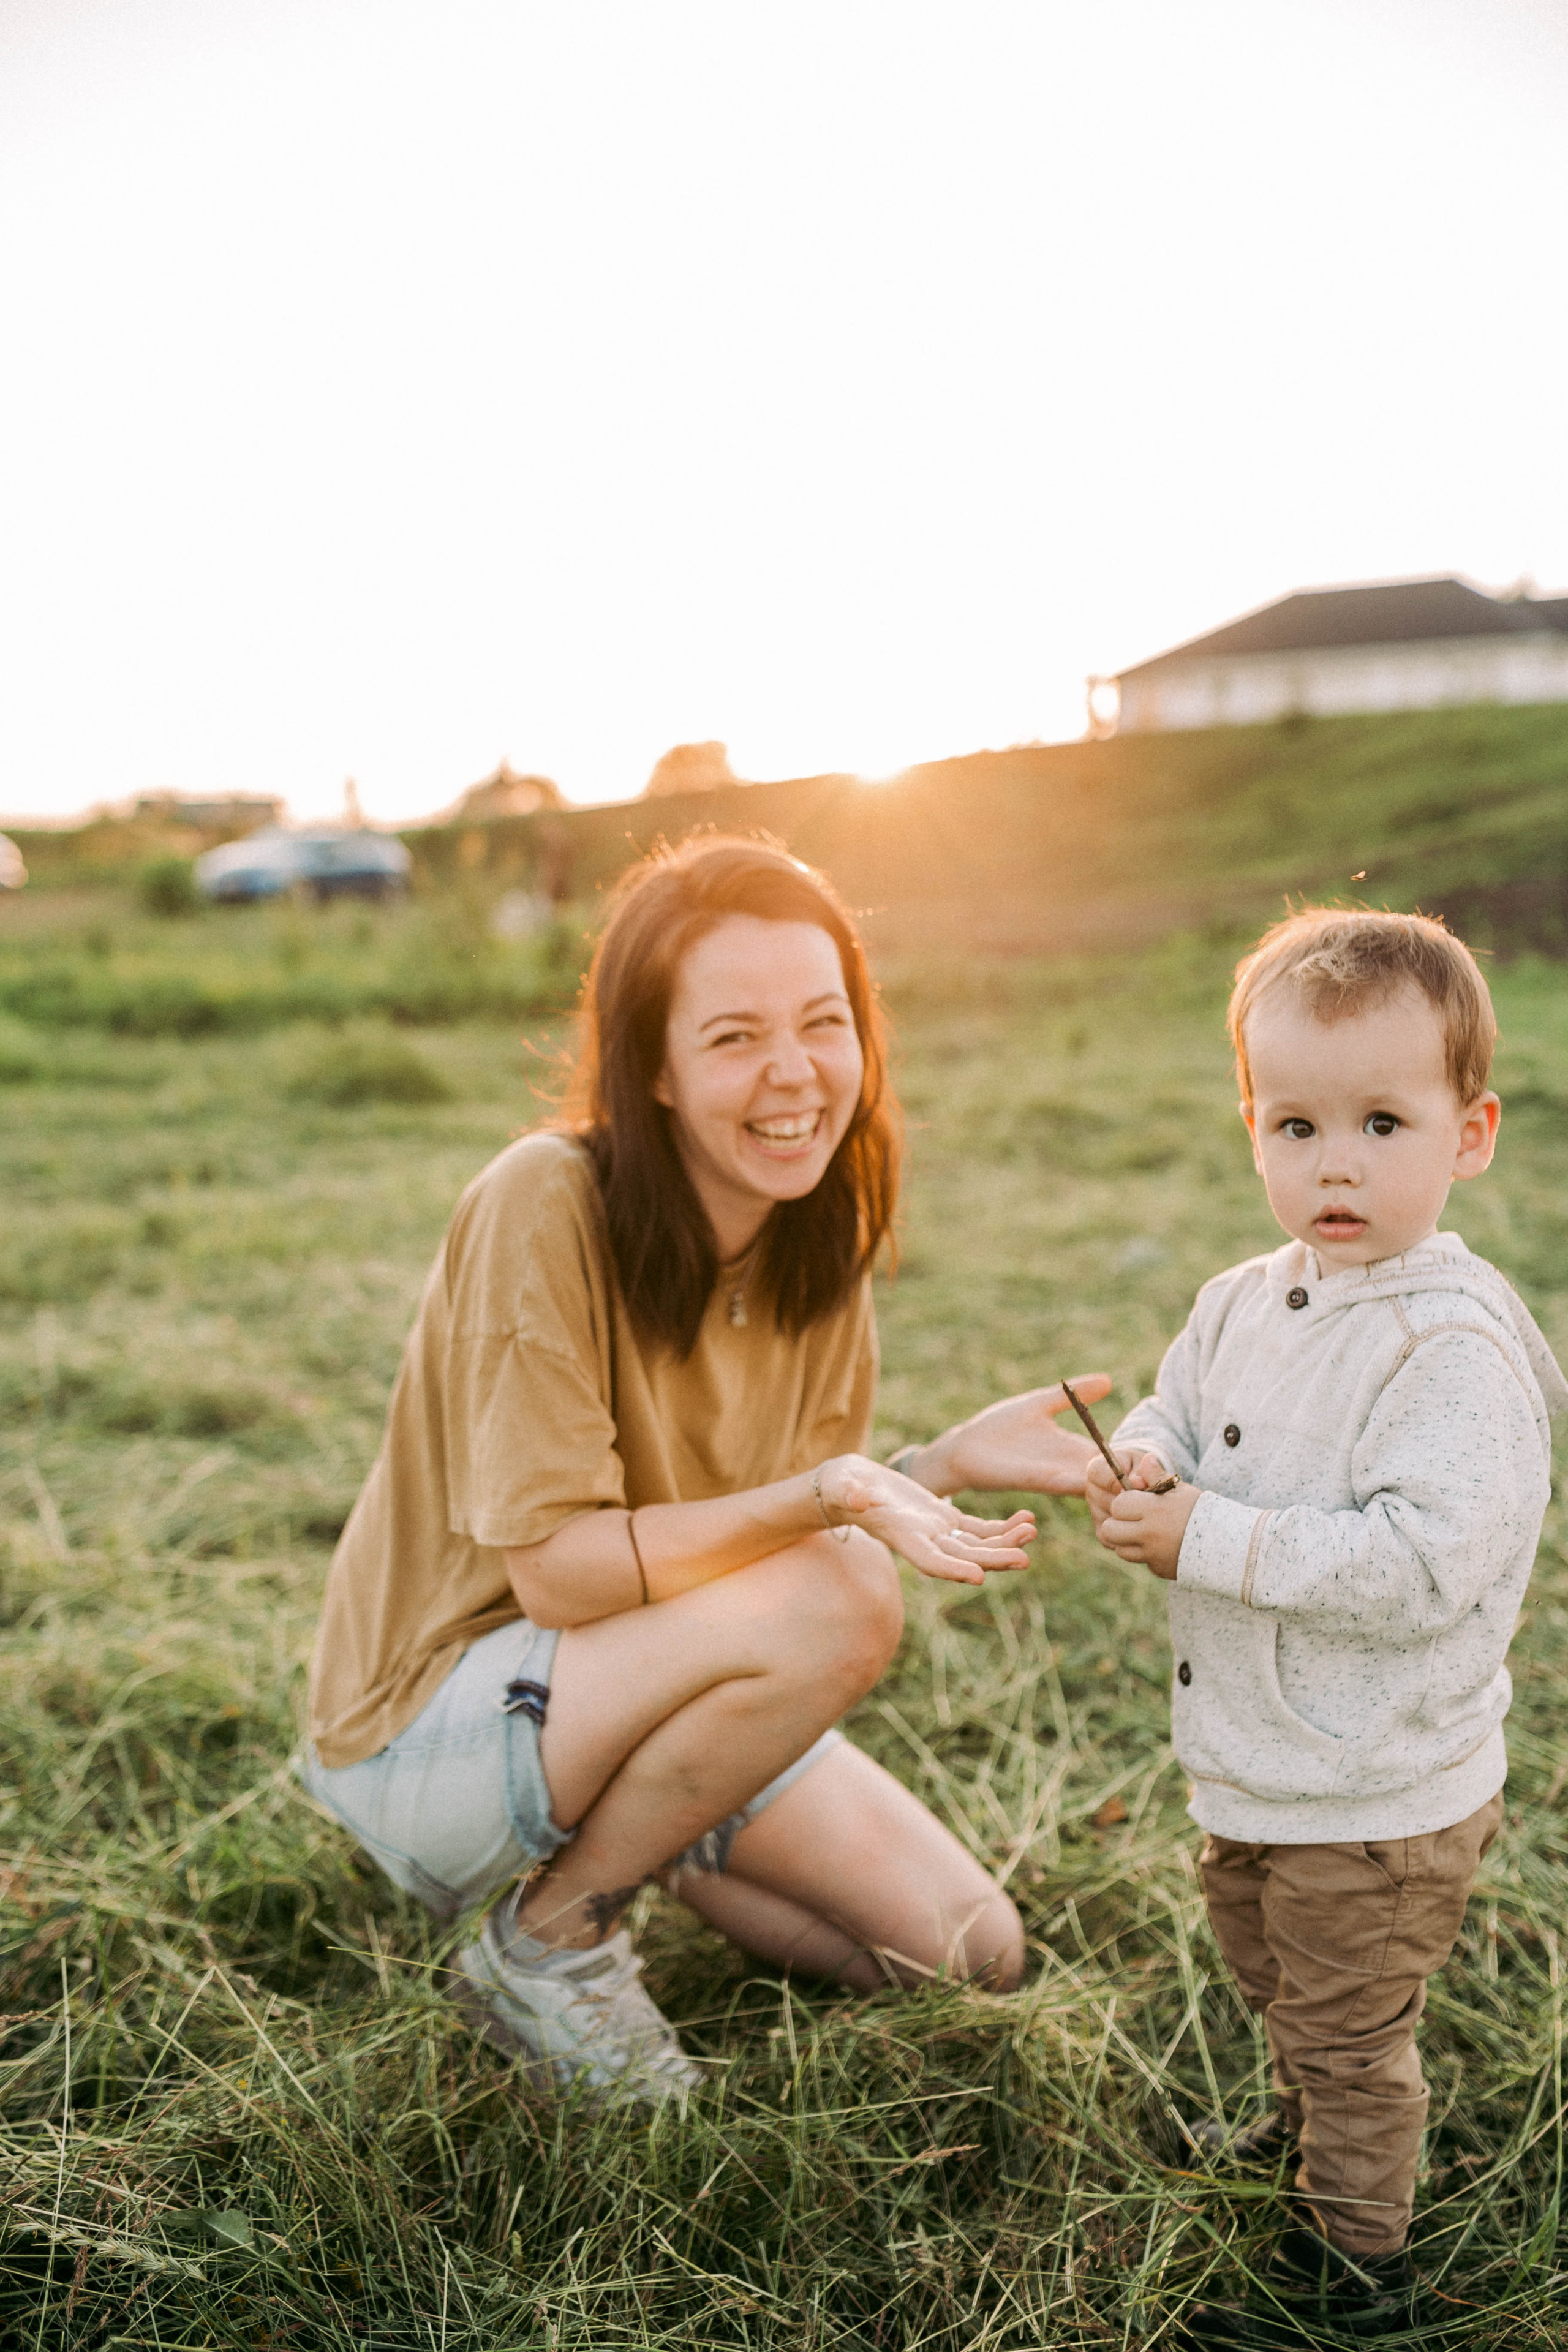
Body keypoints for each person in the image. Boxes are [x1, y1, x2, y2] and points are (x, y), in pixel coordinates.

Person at [303, 835, 1106, 2106]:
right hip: (426, 1732)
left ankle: (645, 1821)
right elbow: (567, 1575)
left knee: (969, 1953)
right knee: (847, 1590)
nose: (792, 1075)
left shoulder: (815, 1237)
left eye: (821, 1023)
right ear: (657, 1069)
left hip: (642, 1679)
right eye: (732, 1036)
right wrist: (836, 1497)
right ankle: (551, 1935)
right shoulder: (543, 1200)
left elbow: (762, 1543)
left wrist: (929, 1465)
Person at [1087, 908, 1565, 2344]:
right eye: (1293, 1125)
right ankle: (1309, 2141)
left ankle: (1355, 2265)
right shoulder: (1238, 1300)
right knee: (1272, 1976)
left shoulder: (1449, 1347)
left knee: (1353, 2034)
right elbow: (1171, 1400)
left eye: (1378, 1120)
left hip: (1376, 1789)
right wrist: (1144, 1454)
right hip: (1259, 1763)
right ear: (1250, 1125)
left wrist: (1206, 1540)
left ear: (1465, 1134)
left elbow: (1417, 1564)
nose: (1333, 1162)